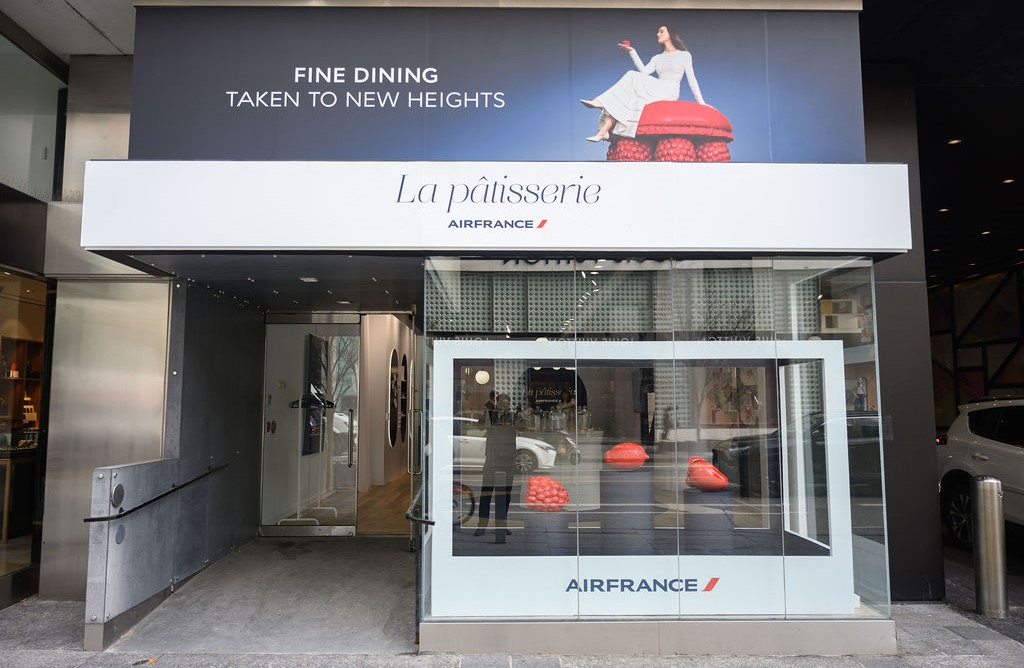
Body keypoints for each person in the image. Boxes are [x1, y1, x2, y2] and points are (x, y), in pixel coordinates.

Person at [580, 25, 707, 142]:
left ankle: (600, 101)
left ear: (670, 34)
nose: (658, 34)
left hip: (670, 91)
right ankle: (603, 132)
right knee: (628, 96)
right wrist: (632, 51)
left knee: (631, 76)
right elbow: (644, 71)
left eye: (661, 31)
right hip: (657, 87)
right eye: (657, 32)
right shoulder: (657, 58)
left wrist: (701, 102)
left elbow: (692, 79)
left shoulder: (684, 55)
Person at [475, 393, 517, 543]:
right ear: (497, 403)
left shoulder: (514, 416)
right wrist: (485, 414)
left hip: (507, 459)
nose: (504, 406)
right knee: (486, 493)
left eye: (506, 403)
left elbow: (526, 427)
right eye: (501, 403)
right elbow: (479, 426)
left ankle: (501, 524)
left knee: (506, 495)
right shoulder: (490, 414)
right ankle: (482, 525)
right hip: (492, 459)